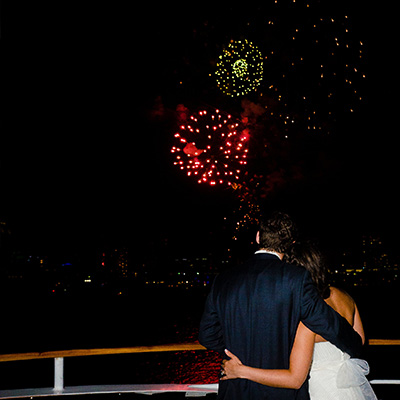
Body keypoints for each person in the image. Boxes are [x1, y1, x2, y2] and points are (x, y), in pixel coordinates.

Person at [199, 211, 363, 400]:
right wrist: (355, 345)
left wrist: (234, 351)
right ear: (290, 244)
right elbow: (328, 324)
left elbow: (207, 335)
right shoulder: (296, 279)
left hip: (235, 388)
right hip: (279, 391)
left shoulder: (223, 280)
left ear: (258, 237)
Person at [220, 241, 377, 399]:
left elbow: (295, 379)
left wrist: (240, 371)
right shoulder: (345, 297)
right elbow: (360, 340)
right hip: (350, 389)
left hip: (320, 391)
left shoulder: (308, 319)